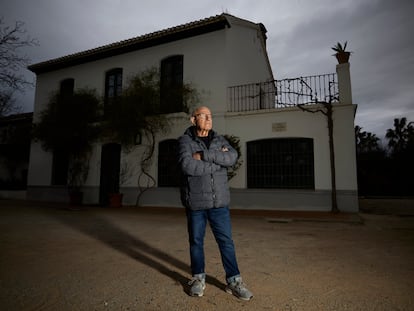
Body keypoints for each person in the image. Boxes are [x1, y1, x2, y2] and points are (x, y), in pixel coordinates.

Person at [177, 106, 253, 301]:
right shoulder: (185, 141)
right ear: (194, 120)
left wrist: (204, 156)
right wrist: (219, 161)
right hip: (196, 203)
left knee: (226, 242)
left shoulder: (219, 139)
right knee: (196, 242)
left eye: (211, 115)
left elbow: (233, 157)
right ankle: (197, 279)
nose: (210, 119)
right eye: (205, 116)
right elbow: (187, 166)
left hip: (219, 203)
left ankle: (234, 281)